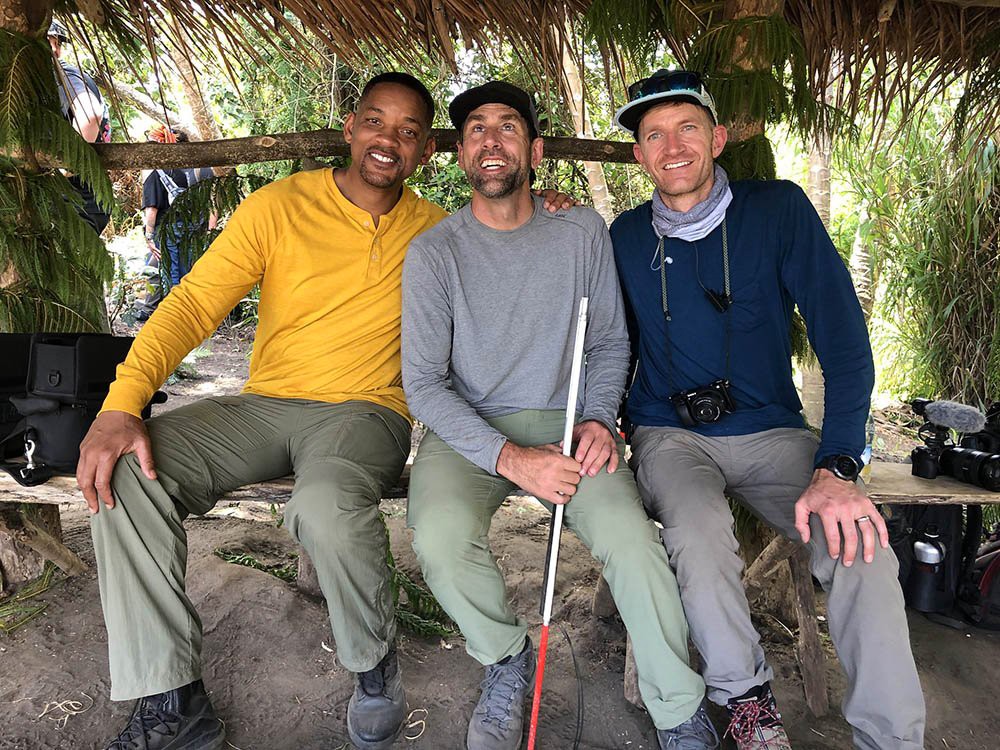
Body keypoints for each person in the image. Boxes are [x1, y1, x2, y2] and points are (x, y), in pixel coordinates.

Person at [77, 71, 573, 750]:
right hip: (264, 403)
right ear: (350, 129)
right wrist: (122, 404)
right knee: (128, 474)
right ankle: (172, 704)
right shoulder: (278, 207)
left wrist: (542, 210)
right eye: (375, 121)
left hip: (365, 413)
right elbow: (192, 304)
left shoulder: (440, 232)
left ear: (425, 151)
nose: (387, 140)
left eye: (407, 131)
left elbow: (513, 265)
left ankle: (373, 666)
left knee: (326, 506)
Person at [609, 69, 925, 750]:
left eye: (686, 127)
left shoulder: (777, 209)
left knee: (862, 546)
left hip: (775, 431)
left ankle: (893, 737)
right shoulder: (625, 236)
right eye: (653, 134)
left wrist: (840, 462)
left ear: (717, 137)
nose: (672, 146)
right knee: (694, 531)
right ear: (638, 154)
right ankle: (745, 700)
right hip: (670, 436)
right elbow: (606, 345)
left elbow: (844, 340)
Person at [401, 80, 718, 750]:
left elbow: (607, 341)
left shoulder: (578, 230)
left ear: (535, 148)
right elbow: (424, 385)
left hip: (572, 423)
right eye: (476, 129)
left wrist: (599, 418)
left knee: (634, 544)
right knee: (439, 537)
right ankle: (505, 657)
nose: (491, 140)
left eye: (508, 126)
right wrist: (511, 458)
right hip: (472, 431)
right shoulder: (435, 252)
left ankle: (677, 707)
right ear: (460, 155)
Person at [134, 126, 218, 320]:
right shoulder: (202, 168)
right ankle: (194, 313)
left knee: (169, 272)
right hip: (197, 228)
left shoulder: (158, 171)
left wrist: (148, 236)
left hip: (168, 229)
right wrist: (210, 230)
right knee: (192, 271)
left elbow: (152, 210)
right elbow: (214, 201)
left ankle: (174, 316)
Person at [47, 18, 112, 234]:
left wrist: (66, 167)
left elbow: (89, 116)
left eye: (55, 43)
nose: (55, 49)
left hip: (78, 198)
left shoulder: (64, 75)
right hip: (83, 198)